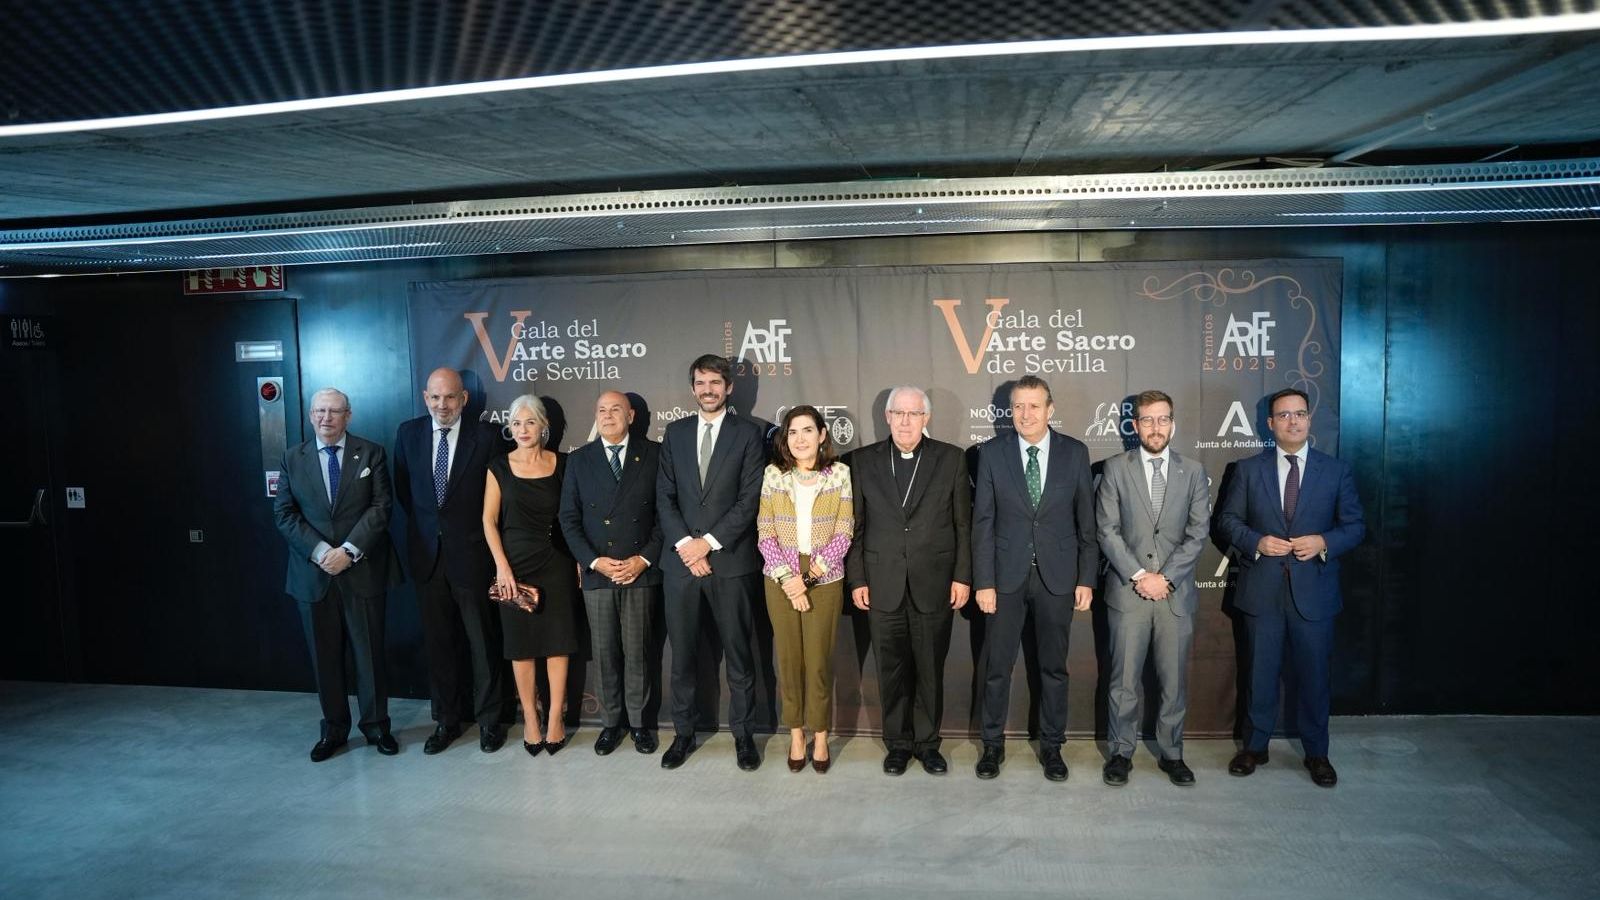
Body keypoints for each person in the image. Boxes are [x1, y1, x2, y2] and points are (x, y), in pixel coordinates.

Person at [1218, 388, 1365, 788]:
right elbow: (1227, 521)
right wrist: (1255, 542)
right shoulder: (1247, 471)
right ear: (1270, 424)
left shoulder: (1336, 471)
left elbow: (1355, 527)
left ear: (1309, 419)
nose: (1292, 421)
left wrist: (1324, 543)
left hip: (1314, 594)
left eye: (1299, 413)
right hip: (1261, 590)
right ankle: (1254, 747)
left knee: (1315, 677)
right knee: (1259, 674)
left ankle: (1317, 753)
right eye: (1283, 415)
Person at [971, 375, 1098, 781]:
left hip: (1058, 579)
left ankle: (1053, 747)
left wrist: (1086, 578)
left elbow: (1086, 523)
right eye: (1019, 406)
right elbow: (983, 522)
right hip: (1004, 580)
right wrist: (984, 582)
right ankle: (992, 747)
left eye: (1034, 406)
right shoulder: (991, 454)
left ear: (1050, 409)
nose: (1025, 414)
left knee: (1054, 669)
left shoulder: (1075, 453)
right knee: (996, 667)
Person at [845, 385, 971, 776]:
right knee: (891, 670)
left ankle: (928, 744)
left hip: (934, 582)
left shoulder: (951, 459)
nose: (904, 420)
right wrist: (857, 578)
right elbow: (856, 526)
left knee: (930, 670)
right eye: (897, 413)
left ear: (925, 418)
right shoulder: (862, 461)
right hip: (881, 583)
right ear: (887, 417)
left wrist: (962, 576)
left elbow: (962, 524)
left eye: (913, 414)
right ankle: (897, 744)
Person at [272, 388, 401, 762]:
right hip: (313, 576)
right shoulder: (292, 458)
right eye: (319, 411)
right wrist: (321, 552)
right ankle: (334, 730)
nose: (326, 418)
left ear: (348, 415)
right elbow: (284, 513)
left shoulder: (371, 452)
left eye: (334, 411)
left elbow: (382, 506)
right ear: (311, 416)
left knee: (369, 656)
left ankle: (377, 728)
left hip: (361, 571)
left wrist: (348, 551)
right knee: (324, 658)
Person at [655, 354, 767, 771]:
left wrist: (710, 544)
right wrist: (688, 545)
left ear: (729, 388)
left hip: (730, 564)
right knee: (682, 657)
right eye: (701, 382)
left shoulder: (748, 434)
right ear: (692, 388)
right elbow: (664, 496)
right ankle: (683, 734)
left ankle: (743, 736)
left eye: (715, 382)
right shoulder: (676, 433)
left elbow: (749, 499)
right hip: (681, 567)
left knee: (739, 656)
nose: (708, 389)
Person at [1095, 390, 1211, 787]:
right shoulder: (1114, 469)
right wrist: (1139, 576)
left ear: (1173, 424)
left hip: (1174, 594)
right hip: (1128, 594)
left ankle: (1172, 753)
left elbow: (1198, 533)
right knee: (1123, 681)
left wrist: (1166, 577)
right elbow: (1106, 530)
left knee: (1173, 681)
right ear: (1134, 426)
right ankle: (1121, 753)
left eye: (1162, 419)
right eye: (1147, 420)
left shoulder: (1193, 471)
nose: (1155, 427)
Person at [394, 367, 511, 754]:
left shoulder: (488, 437)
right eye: (435, 397)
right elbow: (405, 494)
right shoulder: (407, 434)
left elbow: (498, 497)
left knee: (482, 643)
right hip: (428, 558)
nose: (442, 405)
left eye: (450, 397)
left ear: (464, 399)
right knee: (439, 645)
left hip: (473, 556)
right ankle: (446, 721)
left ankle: (490, 722)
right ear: (425, 397)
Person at [558, 389, 663, 756]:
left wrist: (643, 559)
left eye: (615, 409)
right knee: (604, 654)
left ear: (631, 415)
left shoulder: (653, 455)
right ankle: (610, 724)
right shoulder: (579, 459)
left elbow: (665, 516)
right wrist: (594, 561)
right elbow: (568, 521)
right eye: (601, 409)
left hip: (640, 573)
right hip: (599, 573)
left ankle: (638, 725)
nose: (608, 416)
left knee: (638, 652)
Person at [484, 394, 585, 757]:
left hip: (556, 563)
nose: (523, 429)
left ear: (543, 426)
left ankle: (555, 718)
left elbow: (573, 517)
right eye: (516, 423)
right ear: (509, 429)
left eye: (530, 422)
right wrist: (502, 567)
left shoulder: (564, 464)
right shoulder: (498, 466)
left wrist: (576, 560)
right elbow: (488, 521)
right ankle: (530, 718)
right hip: (514, 567)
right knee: (521, 648)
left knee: (559, 643)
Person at [757, 406, 853, 774]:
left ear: (822, 435)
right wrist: (788, 578)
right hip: (780, 576)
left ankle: (820, 735)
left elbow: (844, 531)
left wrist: (809, 579)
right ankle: (796, 733)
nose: (800, 439)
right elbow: (765, 530)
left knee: (817, 663)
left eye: (807, 431)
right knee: (789, 661)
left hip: (823, 578)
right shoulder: (774, 476)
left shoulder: (839, 474)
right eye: (793, 432)